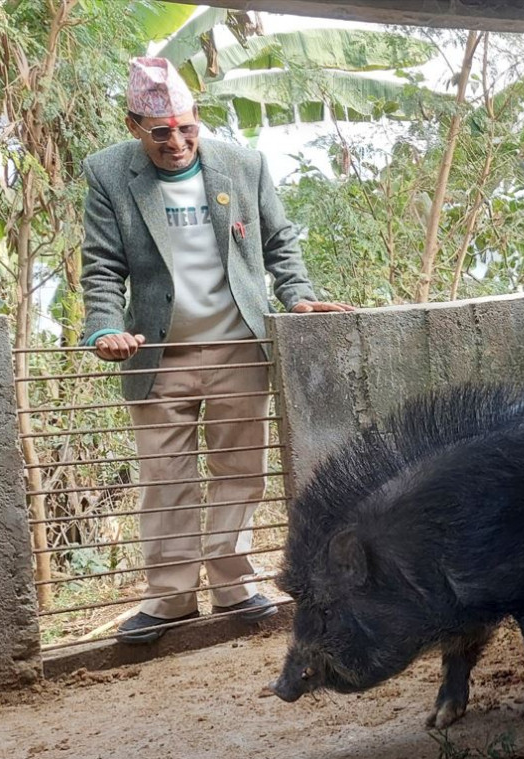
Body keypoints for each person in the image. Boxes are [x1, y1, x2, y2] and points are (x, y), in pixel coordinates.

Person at [79, 57, 354, 644]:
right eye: (160, 133)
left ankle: (233, 587)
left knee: (240, 472)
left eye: (186, 128)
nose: (176, 143)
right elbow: (101, 268)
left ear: (196, 120)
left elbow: (280, 243)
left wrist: (299, 297)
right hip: (158, 353)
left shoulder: (243, 164)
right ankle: (171, 599)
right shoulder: (106, 174)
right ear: (134, 126)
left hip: (237, 345)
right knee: (165, 477)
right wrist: (105, 329)